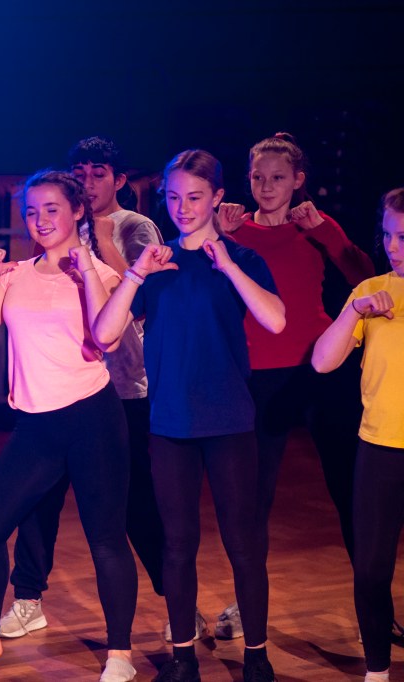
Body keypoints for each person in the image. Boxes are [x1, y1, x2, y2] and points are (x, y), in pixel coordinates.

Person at [93, 149, 285, 682]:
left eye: (195, 197)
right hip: (171, 425)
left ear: (217, 197)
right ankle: (183, 658)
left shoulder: (241, 260)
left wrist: (228, 265)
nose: (182, 208)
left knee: (243, 544)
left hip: (229, 423)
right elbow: (105, 334)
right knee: (177, 546)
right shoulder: (157, 264)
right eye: (174, 197)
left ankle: (257, 657)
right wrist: (136, 273)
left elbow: (275, 319)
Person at [0, 170, 138, 682]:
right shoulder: (16, 274)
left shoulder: (103, 275)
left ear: (77, 210)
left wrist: (86, 270)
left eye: (52, 209)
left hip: (91, 419)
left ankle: (120, 655)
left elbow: (106, 339)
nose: (40, 220)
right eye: (31, 211)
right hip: (35, 426)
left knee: (106, 540)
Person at [0, 138, 172, 642]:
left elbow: (137, 300)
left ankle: (175, 601)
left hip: (120, 387)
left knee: (132, 505)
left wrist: (99, 239)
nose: (88, 181)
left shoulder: (133, 226)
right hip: (55, 391)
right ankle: (28, 598)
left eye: (99, 173)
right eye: (81, 172)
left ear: (119, 180)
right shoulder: (51, 225)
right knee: (39, 501)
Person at [213, 132, 375, 640]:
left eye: (278, 177)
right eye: (258, 177)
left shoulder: (315, 226)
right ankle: (247, 605)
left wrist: (324, 229)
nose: (266, 186)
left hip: (320, 370)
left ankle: (374, 607)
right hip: (259, 377)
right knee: (252, 500)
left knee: (348, 489)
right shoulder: (234, 231)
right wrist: (220, 236)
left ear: (298, 180)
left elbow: (365, 275)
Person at [312, 187, 404, 682]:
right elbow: (323, 362)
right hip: (379, 448)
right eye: (387, 235)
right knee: (370, 569)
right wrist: (355, 311)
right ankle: (377, 671)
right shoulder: (369, 290)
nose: (393, 247)